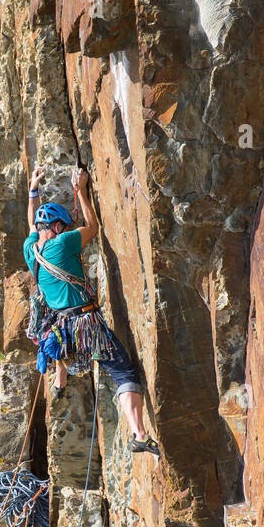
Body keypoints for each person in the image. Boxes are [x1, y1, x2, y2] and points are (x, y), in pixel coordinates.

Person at [24, 164, 159, 455]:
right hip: (86, 325)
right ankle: (139, 433)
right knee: (123, 372)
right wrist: (81, 191)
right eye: (65, 226)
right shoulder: (64, 241)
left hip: (61, 330)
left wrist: (33, 189)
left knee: (96, 364)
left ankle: (61, 375)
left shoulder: (31, 250)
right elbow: (92, 226)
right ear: (59, 226)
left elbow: (31, 227)